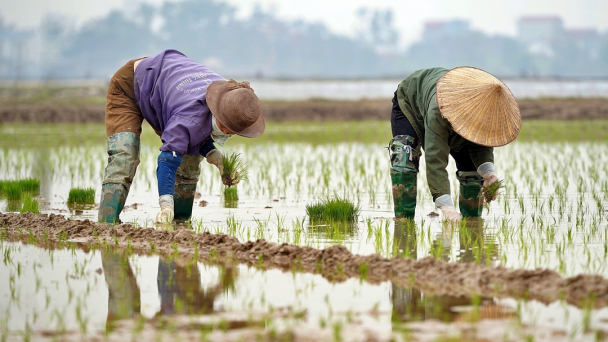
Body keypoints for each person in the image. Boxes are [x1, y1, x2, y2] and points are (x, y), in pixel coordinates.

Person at [98, 49, 265, 224]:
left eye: (234, 132)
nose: (228, 134)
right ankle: (106, 224)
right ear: (218, 113)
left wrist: (215, 157)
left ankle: (180, 224)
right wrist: (166, 205)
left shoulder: (232, 97)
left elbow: (197, 132)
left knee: (190, 161)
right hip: (130, 83)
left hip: (167, 85)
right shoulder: (189, 116)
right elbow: (168, 159)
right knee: (125, 154)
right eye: (227, 128)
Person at [389, 67, 520, 221]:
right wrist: (447, 208)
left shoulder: (482, 113)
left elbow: (481, 145)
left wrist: (489, 173)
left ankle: (472, 225)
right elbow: (435, 159)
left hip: (450, 112)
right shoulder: (439, 110)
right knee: (405, 155)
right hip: (411, 103)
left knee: (472, 172)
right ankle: (404, 221)